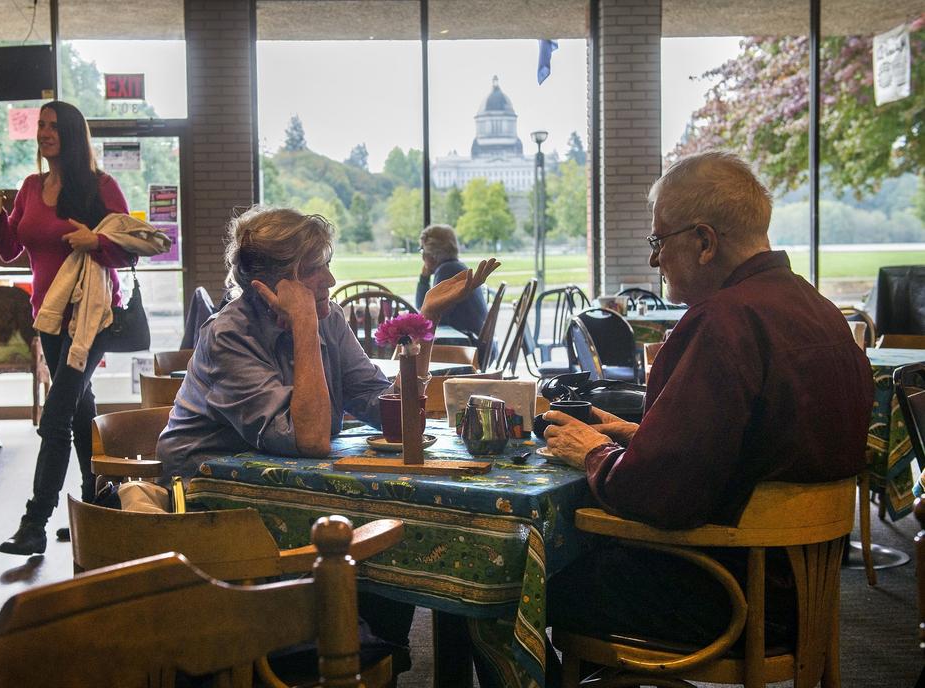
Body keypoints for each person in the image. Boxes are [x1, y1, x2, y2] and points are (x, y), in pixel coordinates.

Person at [541, 151, 873, 656]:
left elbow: (656, 496)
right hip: (807, 588)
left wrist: (593, 451)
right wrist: (642, 437)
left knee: (522, 572)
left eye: (658, 242)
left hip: (726, 593)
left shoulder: (722, 321)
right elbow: (769, 443)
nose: (654, 260)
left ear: (703, 242)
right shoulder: (820, 310)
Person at [157, 206, 499, 475]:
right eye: (313, 270)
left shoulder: (329, 318)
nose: (331, 280)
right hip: (206, 490)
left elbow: (397, 418)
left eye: (328, 265)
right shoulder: (229, 335)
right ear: (269, 285)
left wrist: (426, 320)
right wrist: (304, 321)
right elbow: (310, 441)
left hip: (281, 480)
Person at [0, 100, 135, 556]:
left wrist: (97, 240)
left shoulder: (101, 187)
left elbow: (130, 250)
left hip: (92, 317)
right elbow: (9, 251)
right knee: (80, 408)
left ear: (71, 133)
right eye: (40, 125)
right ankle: (97, 508)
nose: (44, 132)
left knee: (57, 414)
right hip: (47, 316)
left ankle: (35, 523)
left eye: (52, 126)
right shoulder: (30, 187)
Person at [416, 224, 487, 338]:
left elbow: (427, 318)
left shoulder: (447, 271)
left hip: (468, 346)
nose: (422, 256)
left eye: (422, 250)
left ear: (431, 253)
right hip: (475, 341)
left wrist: (424, 279)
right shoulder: (456, 267)